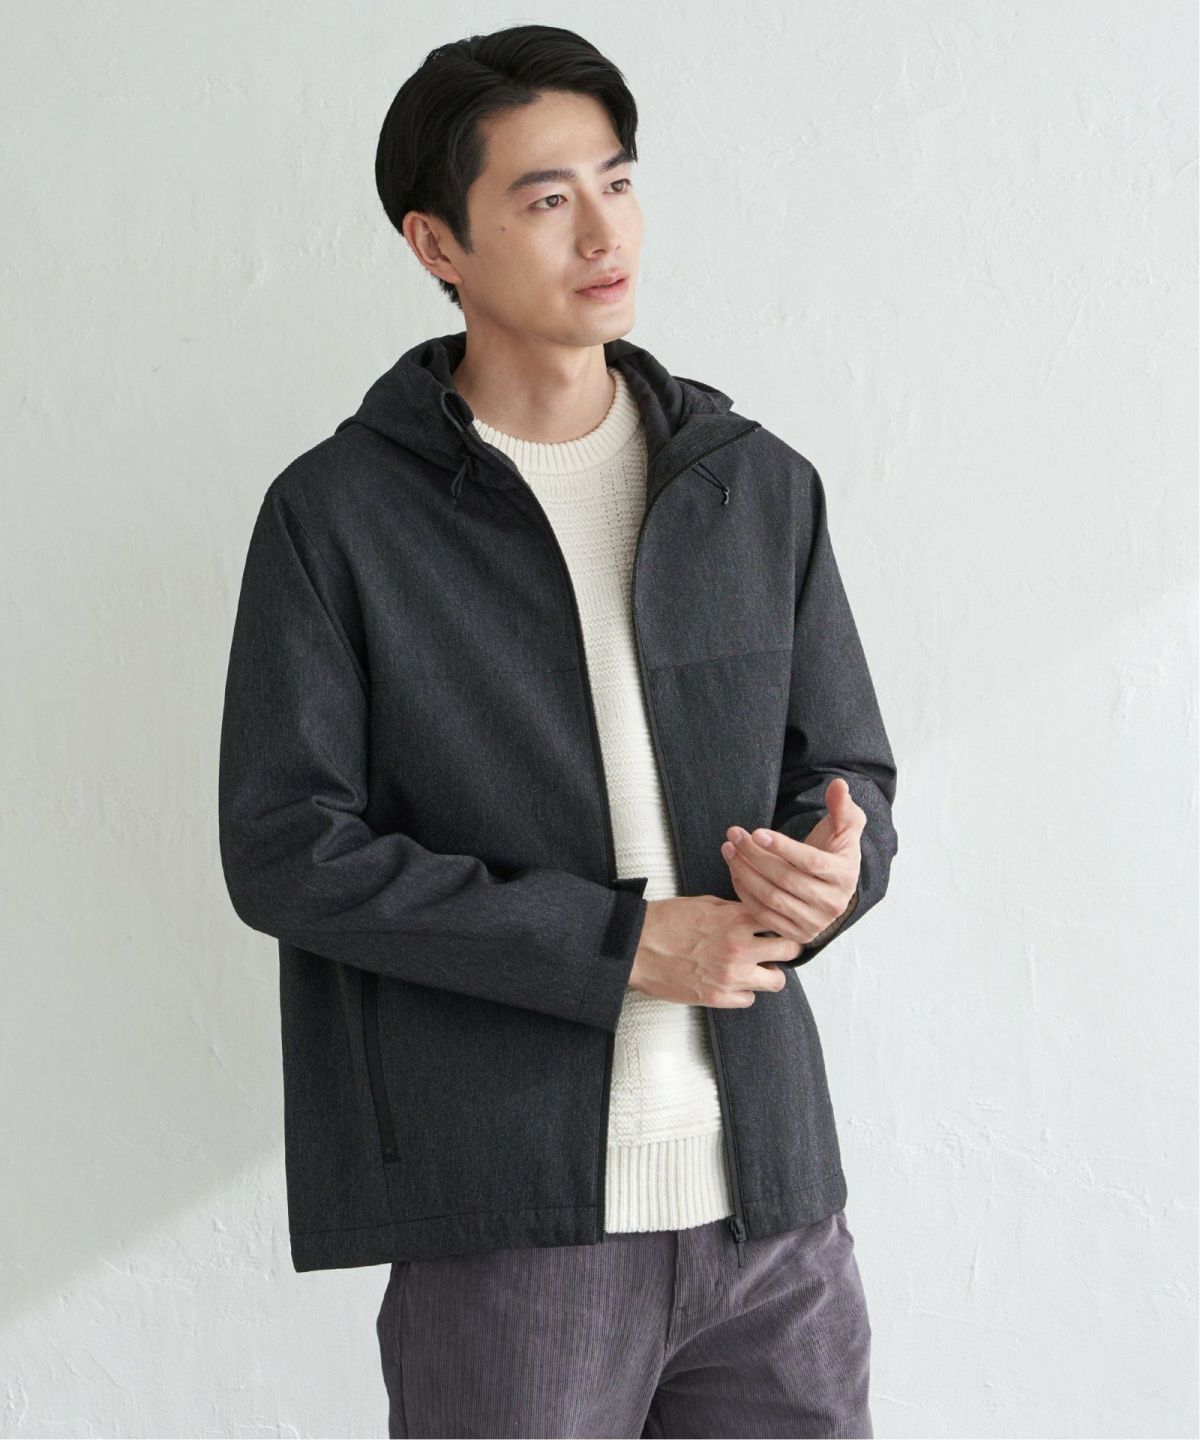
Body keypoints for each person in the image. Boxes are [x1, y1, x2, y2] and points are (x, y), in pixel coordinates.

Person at [218, 23, 899, 1439]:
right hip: (512, 1228)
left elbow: (847, 775)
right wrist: (624, 944)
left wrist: (836, 869)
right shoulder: (339, 516)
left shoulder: (754, 486)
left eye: (618, 181)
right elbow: (288, 850)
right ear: (436, 244)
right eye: (545, 198)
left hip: (776, 1215)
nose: (604, 231)